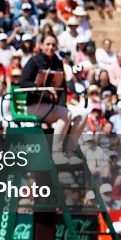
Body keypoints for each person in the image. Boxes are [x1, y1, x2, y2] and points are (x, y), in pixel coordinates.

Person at [17, 33, 86, 161]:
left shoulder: (58, 62)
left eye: (53, 45)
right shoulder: (34, 61)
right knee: (65, 114)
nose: (51, 47)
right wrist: (43, 88)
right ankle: (56, 153)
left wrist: (62, 104)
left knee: (83, 113)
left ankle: (70, 150)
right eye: (48, 44)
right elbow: (23, 83)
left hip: (53, 106)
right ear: (41, 45)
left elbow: (62, 88)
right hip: (35, 105)